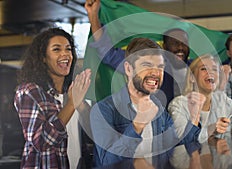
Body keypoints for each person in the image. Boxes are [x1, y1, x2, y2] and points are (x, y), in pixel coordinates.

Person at [89, 38, 200, 167]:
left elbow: (176, 141)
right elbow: (105, 161)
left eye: (160, 67)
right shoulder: (103, 109)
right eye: (147, 65)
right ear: (128, 69)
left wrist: (196, 117)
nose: (155, 73)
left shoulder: (158, 108)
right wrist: (138, 124)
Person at [85, 0, 190, 106]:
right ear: (164, 46)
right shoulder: (147, 62)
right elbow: (108, 53)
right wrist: (93, 16)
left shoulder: (198, 67)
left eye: (184, 43)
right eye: (174, 42)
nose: (180, 47)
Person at [14, 28, 91, 169]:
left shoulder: (72, 91)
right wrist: (72, 104)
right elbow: (41, 142)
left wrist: (81, 105)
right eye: (56, 49)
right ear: (43, 57)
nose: (65, 54)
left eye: (68, 49)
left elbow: (93, 132)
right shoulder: (30, 91)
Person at [168, 54, 232, 143]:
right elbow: (183, 140)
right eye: (204, 69)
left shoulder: (222, 99)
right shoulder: (178, 104)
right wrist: (210, 129)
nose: (210, 72)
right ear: (192, 77)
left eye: (215, 69)